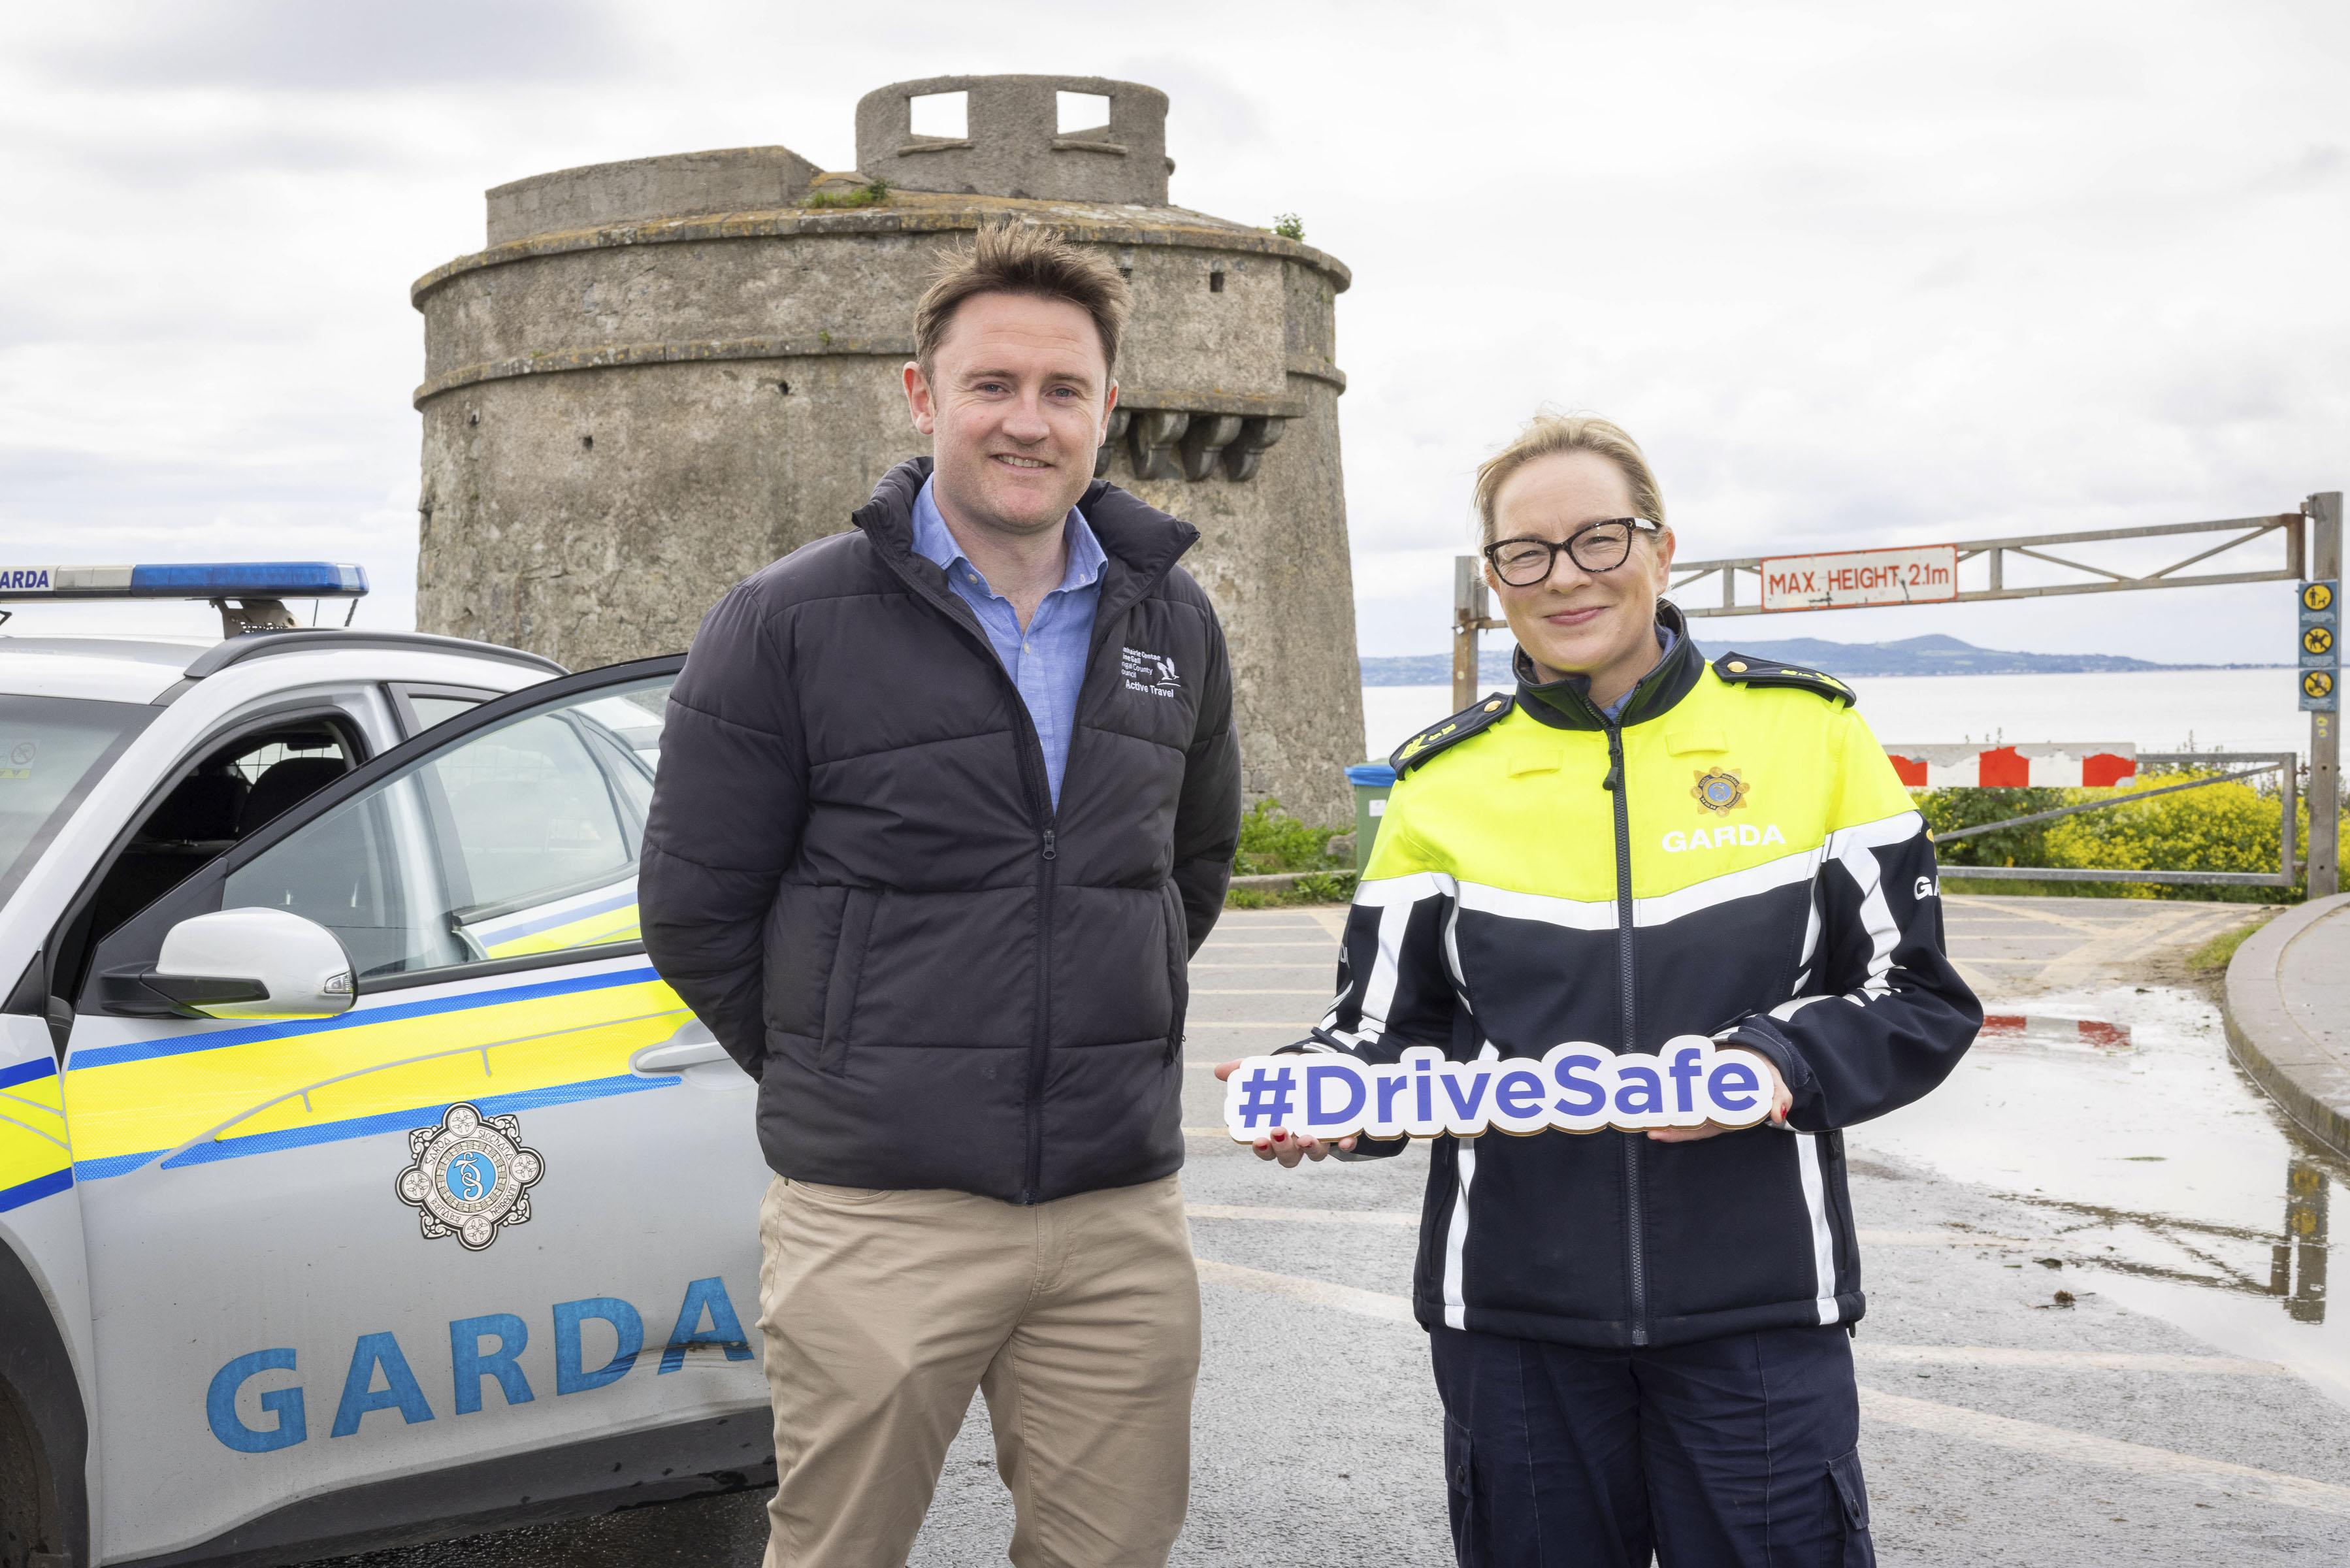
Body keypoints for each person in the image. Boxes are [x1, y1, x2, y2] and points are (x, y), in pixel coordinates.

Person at [1222, 414, 1980, 1566]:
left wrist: (1778, 1063)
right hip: (1515, 1330)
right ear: (1495, 581)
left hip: (1760, 1316)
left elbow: (1912, 994)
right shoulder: (1442, 782)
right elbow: (1377, 1028)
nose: (1564, 577)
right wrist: (1312, 1091)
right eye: (1526, 553)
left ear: (1661, 549)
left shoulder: (1809, 733)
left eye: (1597, 540)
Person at [641, 222, 1241, 1568]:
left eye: (1062, 391)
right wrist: (847, 1067)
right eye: (991, 386)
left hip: (1111, 1213)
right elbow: (694, 908)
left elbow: (1184, 872)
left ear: (1106, 410)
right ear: (924, 396)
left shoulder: (1172, 622)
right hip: (877, 1217)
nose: (1025, 423)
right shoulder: (785, 621)